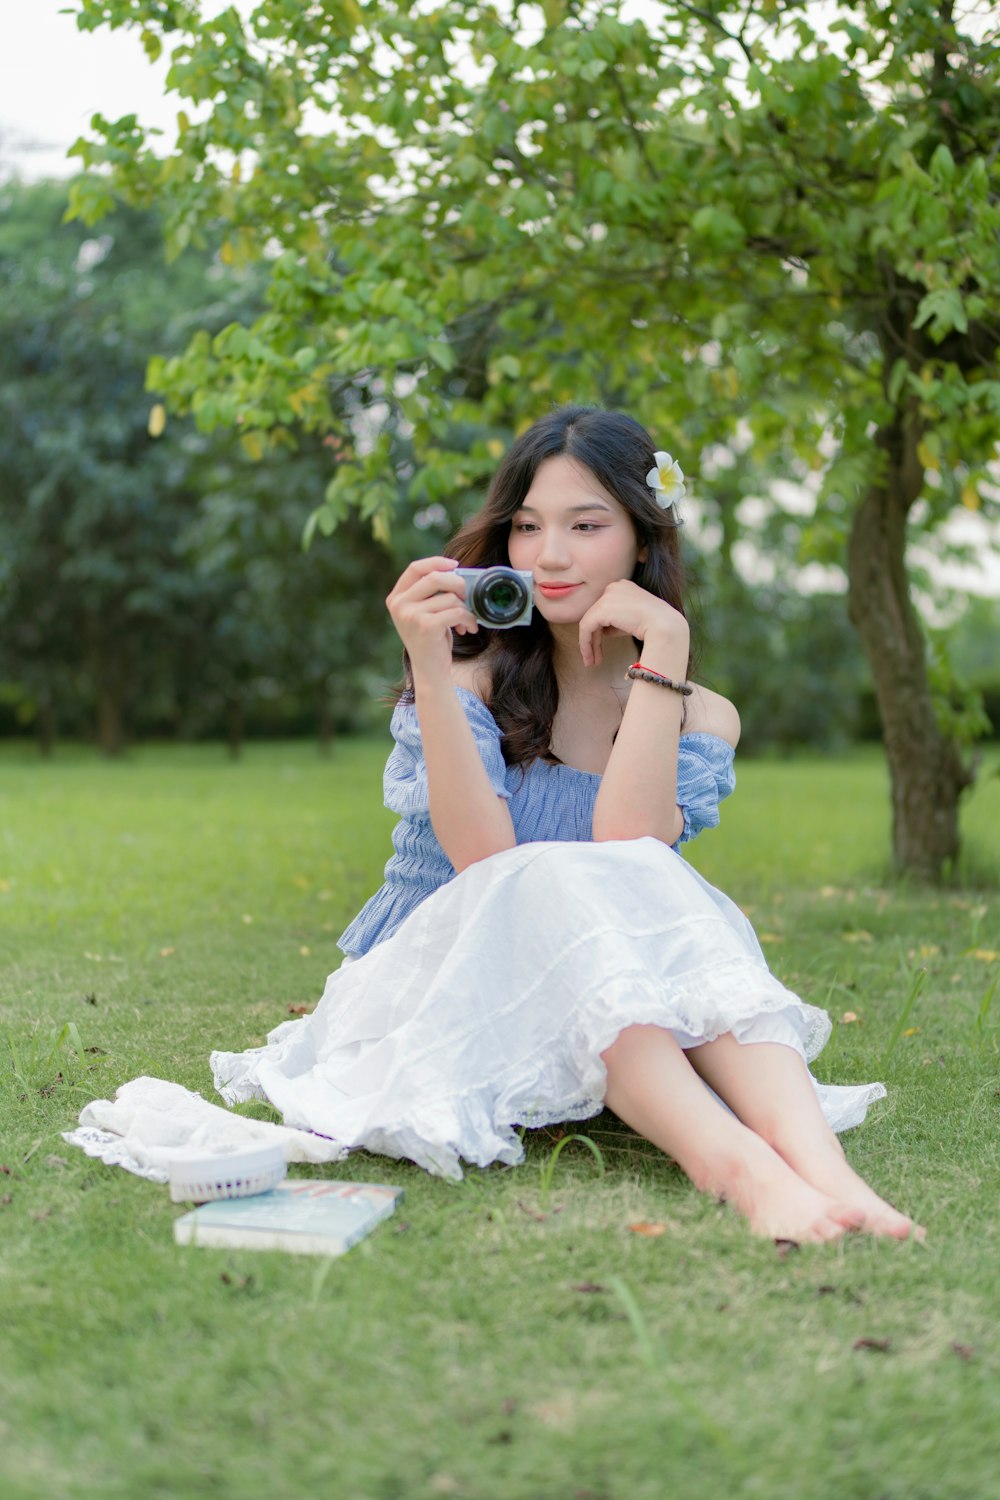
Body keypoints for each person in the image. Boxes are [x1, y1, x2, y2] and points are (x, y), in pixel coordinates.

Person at [212, 405, 921, 1245]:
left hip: (598, 983)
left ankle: (832, 1177)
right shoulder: (465, 682)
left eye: (586, 526)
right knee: (545, 869)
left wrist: (664, 650)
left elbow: (630, 846)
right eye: (527, 527)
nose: (549, 556)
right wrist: (432, 676)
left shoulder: (703, 714)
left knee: (649, 892)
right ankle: (738, 1171)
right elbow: (484, 862)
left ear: (641, 542)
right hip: (442, 979)